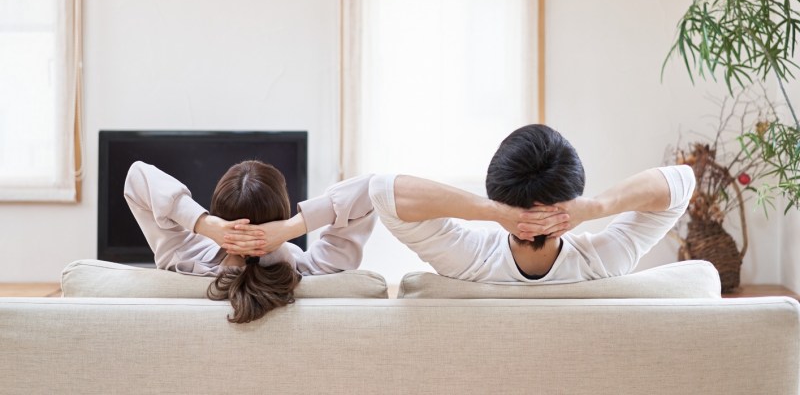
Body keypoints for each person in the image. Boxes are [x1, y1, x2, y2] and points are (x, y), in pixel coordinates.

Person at [366, 124, 695, 283]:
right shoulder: (601, 264)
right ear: (573, 194)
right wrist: (594, 207)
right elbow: (682, 182)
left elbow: (384, 191)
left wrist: (491, 211)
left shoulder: (469, 263)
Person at [124, 160, 375, 323]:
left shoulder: (182, 260)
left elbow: (137, 176)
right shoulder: (319, 270)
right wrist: (292, 227)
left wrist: (205, 225)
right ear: (282, 211)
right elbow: (372, 190)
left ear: (218, 213)